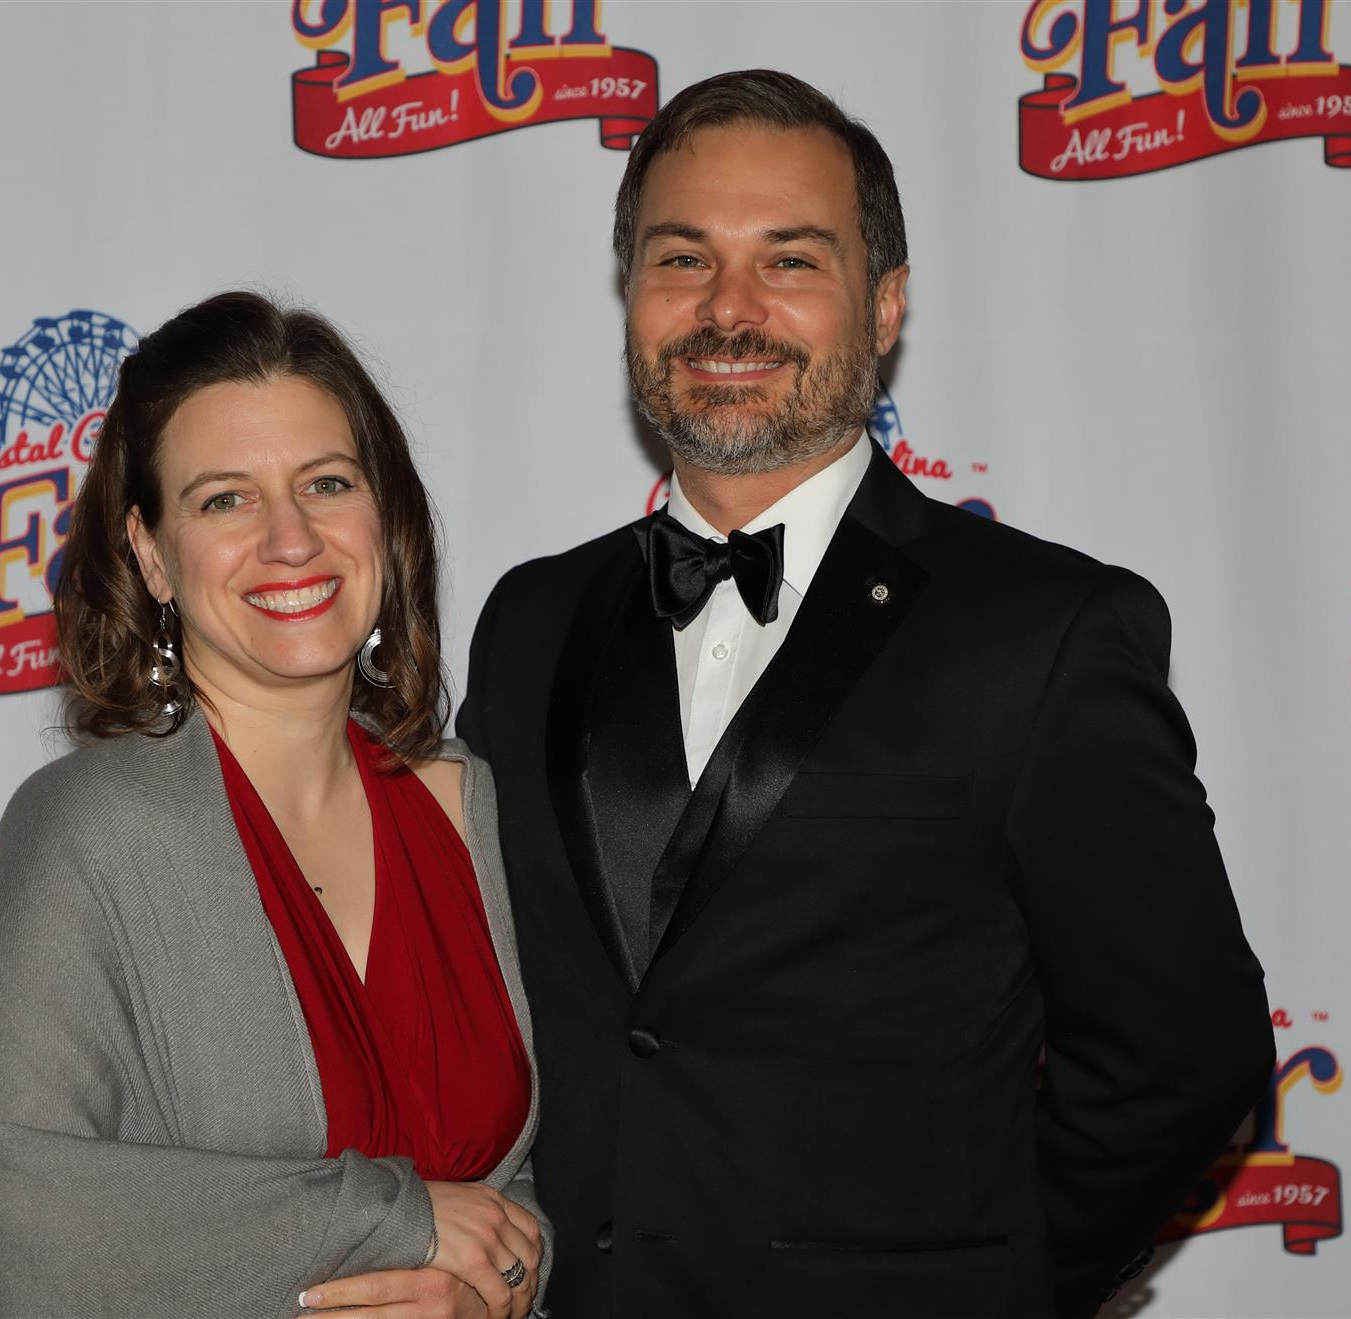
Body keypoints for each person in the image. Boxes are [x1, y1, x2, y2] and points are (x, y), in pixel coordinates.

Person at [457, 70, 1274, 1319]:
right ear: (630, 295)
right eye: (682, 259)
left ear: (885, 304)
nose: (727, 308)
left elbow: (1183, 1051)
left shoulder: (1043, 631)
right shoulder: (531, 619)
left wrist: (985, 1280)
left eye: (790, 260)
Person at [0, 292, 547, 1319]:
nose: (290, 538)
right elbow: (12, 1221)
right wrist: (395, 1221)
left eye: (327, 483)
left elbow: (525, 1189)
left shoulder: (466, 803)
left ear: (383, 518)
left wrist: (500, 1287)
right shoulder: (86, 832)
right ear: (151, 554)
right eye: (225, 500)